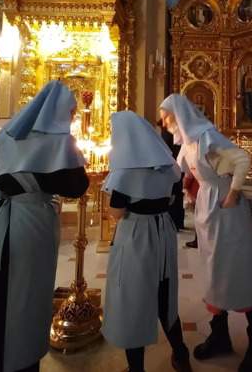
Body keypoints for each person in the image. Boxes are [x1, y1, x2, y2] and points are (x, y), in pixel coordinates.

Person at [0, 80, 89, 372]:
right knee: (22, 301)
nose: (73, 117)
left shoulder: (11, 133)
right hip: (24, 229)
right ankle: (18, 363)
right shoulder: (59, 142)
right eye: (72, 112)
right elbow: (77, 186)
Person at [160, 94, 252, 372]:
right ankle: (220, 334)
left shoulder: (207, 136)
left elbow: (242, 159)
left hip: (226, 210)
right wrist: (188, 188)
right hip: (208, 209)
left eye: (166, 116)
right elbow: (188, 173)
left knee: (237, 270)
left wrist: (233, 193)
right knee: (214, 271)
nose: (164, 122)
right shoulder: (188, 143)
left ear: (179, 115)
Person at [102, 111, 192, 372]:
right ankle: (181, 353)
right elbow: (172, 199)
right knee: (165, 292)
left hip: (136, 235)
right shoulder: (168, 165)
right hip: (163, 231)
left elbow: (117, 212)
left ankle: (136, 367)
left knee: (134, 298)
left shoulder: (125, 171)